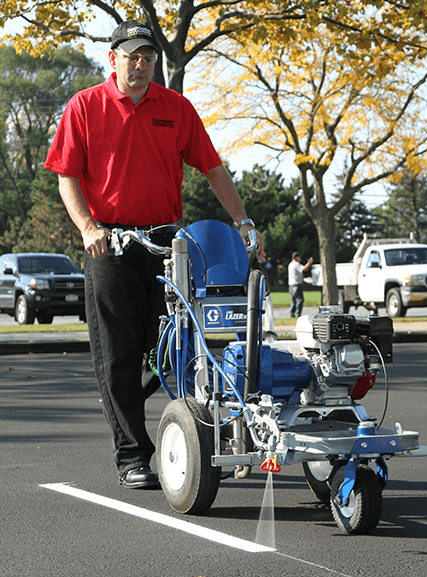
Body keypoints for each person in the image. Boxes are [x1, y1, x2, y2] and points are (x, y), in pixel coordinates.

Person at [44, 21, 265, 489]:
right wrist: (88, 227)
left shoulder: (176, 108)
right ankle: (132, 455)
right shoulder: (85, 106)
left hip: (168, 244)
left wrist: (243, 222)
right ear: (114, 59)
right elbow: (67, 176)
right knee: (118, 356)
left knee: (176, 351)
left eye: (148, 57)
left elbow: (212, 166)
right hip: (111, 245)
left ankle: (199, 439)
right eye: (132, 56)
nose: (141, 65)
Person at [288, 251, 313, 318]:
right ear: (296, 258)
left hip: (291, 285)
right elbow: (304, 269)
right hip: (296, 285)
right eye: (299, 257)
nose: (300, 259)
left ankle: (292, 313)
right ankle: (298, 314)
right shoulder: (296, 264)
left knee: (293, 300)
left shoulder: (290, 264)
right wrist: (309, 263)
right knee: (299, 300)